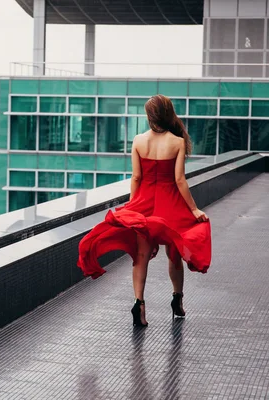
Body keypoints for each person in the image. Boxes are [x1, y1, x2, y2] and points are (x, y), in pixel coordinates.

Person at [77, 94, 212, 327]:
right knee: (174, 256)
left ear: (149, 116)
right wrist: (194, 209)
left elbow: (137, 177)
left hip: (144, 205)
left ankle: (139, 303)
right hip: (171, 205)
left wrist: (132, 208)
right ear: (169, 113)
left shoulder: (139, 140)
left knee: (141, 257)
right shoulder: (177, 142)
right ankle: (177, 300)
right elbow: (180, 180)